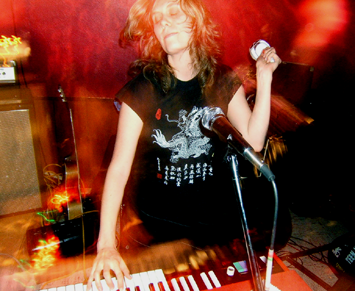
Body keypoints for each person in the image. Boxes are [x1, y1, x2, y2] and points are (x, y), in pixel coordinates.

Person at [87, 0, 281, 290]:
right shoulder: (143, 89)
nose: (163, 22)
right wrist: (106, 244)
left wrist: (264, 78)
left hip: (214, 230)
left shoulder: (223, 80)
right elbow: (118, 169)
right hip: (157, 234)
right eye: (157, 18)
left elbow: (253, 141)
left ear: (197, 18)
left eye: (173, 12)